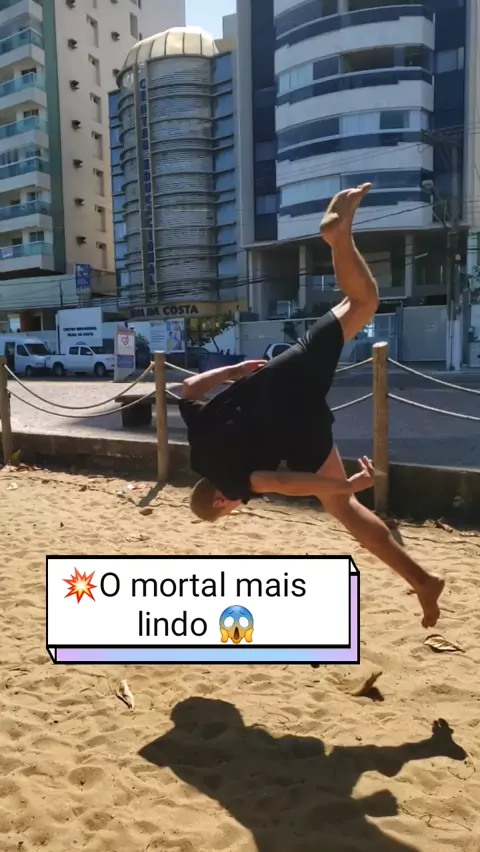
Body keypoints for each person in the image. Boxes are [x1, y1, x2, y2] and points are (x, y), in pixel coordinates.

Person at [177, 184, 444, 628]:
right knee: (358, 304)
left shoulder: (234, 484)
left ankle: (422, 580)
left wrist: (343, 485)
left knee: (343, 506)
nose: (235, 508)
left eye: (228, 511)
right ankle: (340, 238)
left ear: (220, 501)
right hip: (279, 374)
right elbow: (188, 388)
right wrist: (233, 370)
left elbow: (281, 481)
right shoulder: (198, 447)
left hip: (300, 422)